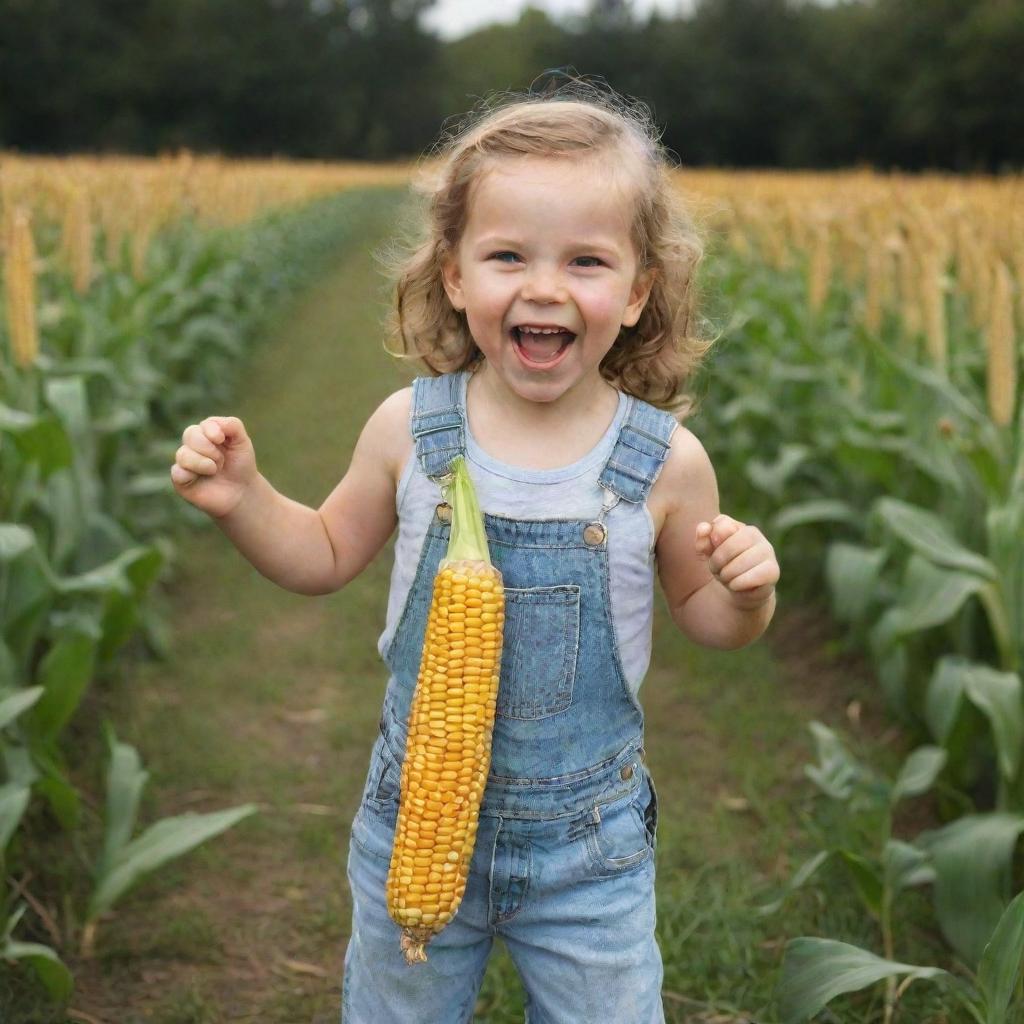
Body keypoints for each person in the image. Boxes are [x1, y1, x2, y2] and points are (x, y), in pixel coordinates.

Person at [170, 77, 780, 1024]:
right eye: (507, 256)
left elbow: (711, 621)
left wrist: (746, 595)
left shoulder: (665, 463)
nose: (544, 286)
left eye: (585, 261)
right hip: (413, 815)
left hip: (591, 849)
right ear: (454, 276)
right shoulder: (409, 431)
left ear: (636, 292)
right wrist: (245, 498)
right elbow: (325, 552)